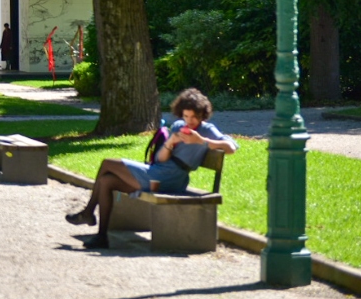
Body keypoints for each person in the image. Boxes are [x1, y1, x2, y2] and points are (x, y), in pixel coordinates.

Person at [65, 88, 238, 249]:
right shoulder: (178, 126)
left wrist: (201, 141)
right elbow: (160, 159)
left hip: (174, 177)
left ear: (202, 115)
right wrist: (170, 143)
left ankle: (88, 212)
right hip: (160, 170)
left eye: (194, 117)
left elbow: (231, 147)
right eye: (186, 116)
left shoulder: (207, 130)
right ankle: (102, 236)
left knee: (108, 163)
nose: (189, 121)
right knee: (106, 181)